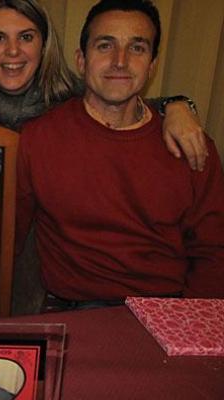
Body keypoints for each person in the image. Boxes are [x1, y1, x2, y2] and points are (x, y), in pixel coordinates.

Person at [0, 0, 208, 319]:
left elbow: (117, 93)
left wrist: (177, 105)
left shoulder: (63, 93)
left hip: (33, 244)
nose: (13, 51)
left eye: (26, 37)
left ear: (44, 45)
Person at [16, 0, 224, 311]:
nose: (120, 61)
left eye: (137, 48)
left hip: (165, 310)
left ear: (152, 66)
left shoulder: (191, 145)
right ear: (81, 60)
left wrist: (193, 324)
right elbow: (3, 241)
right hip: (73, 312)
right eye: (105, 45)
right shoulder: (39, 138)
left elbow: (213, 253)